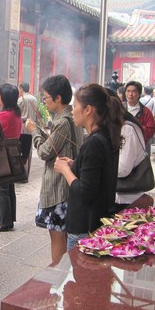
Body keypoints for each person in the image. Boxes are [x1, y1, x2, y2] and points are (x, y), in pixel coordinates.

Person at [54, 83, 121, 251]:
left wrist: (65, 170)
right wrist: (75, 165)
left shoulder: (93, 143)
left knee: (83, 276)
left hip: (85, 227)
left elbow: (86, 192)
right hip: (98, 221)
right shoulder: (106, 135)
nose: (73, 110)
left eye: (75, 106)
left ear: (88, 110)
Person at [25, 75, 83, 264]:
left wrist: (34, 130)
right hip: (68, 185)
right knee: (64, 235)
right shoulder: (72, 117)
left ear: (58, 98)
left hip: (59, 188)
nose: (44, 101)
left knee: (57, 236)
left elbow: (44, 152)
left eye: (46, 97)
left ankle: (58, 275)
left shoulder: (62, 121)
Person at [0, 83, 22, 232]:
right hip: (13, 154)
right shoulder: (16, 114)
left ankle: (3, 221)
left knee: (1, 188)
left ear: (4, 98)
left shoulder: (2, 116)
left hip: (2, 155)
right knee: (9, 187)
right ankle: (9, 219)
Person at [124, 80, 155, 154]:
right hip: (122, 147)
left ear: (139, 94)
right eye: (128, 91)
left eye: (134, 91)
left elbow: (151, 129)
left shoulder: (146, 112)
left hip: (139, 149)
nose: (130, 94)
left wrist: (136, 127)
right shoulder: (120, 109)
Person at [17, 82, 39, 179]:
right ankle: (25, 174)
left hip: (21, 128)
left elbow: (17, 113)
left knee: (19, 151)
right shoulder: (34, 99)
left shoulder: (20, 100)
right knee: (27, 152)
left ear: (21, 88)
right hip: (31, 128)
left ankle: (20, 173)